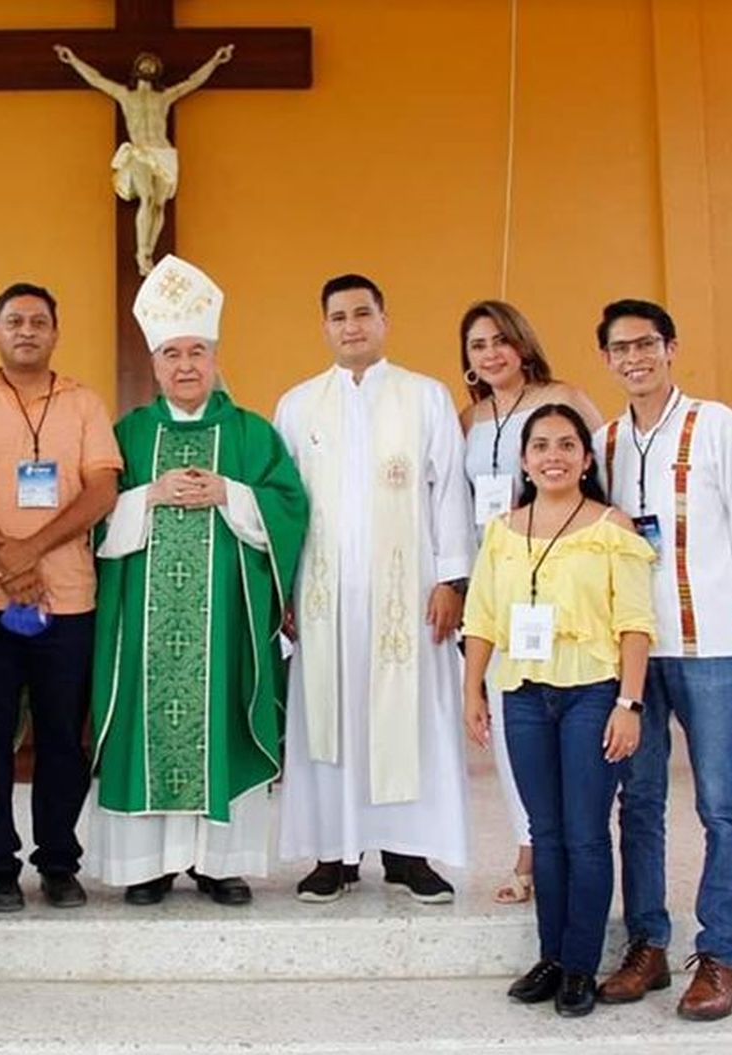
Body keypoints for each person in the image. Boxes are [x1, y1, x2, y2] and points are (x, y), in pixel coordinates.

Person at [88, 254, 308, 905]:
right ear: (154, 364)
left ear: (214, 357)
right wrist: (148, 495)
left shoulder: (251, 433)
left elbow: (292, 508)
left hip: (225, 626)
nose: (185, 365)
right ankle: (147, 865)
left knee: (219, 717)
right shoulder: (126, 434)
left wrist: (232, 493)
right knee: (145, 723)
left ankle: (219, 862)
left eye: (197, 352)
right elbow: (93, 518)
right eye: (172, 354)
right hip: (141, 626)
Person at [591, 299, 732, 1022]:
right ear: (606, 360)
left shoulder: (717, 426)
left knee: (721, 803)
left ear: (671, 347)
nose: (634, 357)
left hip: (706, 647)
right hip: (633, 652)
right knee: (637, 803)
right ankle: (648, 945)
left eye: (646, 343)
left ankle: (721, 953)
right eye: (619, 348)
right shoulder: (603, 442)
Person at [275, 273, 474, 903]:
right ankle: (333, 855)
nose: (351, 326)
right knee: (328, 719)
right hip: (322, 598)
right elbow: (284, 506)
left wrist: (452, 580)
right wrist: (283, 589)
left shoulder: (426, 397)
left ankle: (408, 854)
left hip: (407, 598)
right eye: (338, 316)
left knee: (408, 719)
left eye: (363, 313)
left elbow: (450, 496)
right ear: (324, 326)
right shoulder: (298, 405)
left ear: (385, 320)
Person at [0, 282, 122, 912]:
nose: (26, 330)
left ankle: (60, 862)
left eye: (39, 321)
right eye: (13, 321)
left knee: (64, 738)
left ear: (54, 333)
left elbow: (102, 490)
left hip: (68, 600)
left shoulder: (85, 403)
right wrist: (2, 555)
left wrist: (30, 550)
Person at [462, 402, 655, 1017]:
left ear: (587, 457)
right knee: (543, 834)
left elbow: (635, 625)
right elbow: (483, 619)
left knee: (585, 834)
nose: (553, 456)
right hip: (522, 694)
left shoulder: (610, 528)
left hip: (592, 693)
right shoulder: (502, 531)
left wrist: (629, 703)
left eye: (566, 445)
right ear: (523, 460)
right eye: (540, 445)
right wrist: (472, 691)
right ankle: (550, 957)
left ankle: (580, 965)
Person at [457, 300, 604, 905]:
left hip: (563, 575)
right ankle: (528, 846)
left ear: (522, 341)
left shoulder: (563, 394)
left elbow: (600, 475)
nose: (490, 353)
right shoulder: (468, 417)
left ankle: (574, 846)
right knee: (510, 720)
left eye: (499, 340)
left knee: (568, 716)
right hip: (496, 579)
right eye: (477, 345)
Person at [53, 43, 234, 275]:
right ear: (137, 68)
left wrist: (216, 60)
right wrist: (73, 59)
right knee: (146, 198)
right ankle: (142, 253)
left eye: (152, 64)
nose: (148, 66)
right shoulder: (124, 95)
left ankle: (149, 253)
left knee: (159, 205)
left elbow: (193, 81)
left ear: (157, 70)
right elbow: (96, 79)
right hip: (140, 151)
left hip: (163, 151)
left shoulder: (165, 96)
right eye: (144, 63)